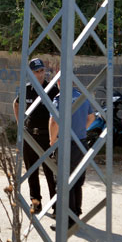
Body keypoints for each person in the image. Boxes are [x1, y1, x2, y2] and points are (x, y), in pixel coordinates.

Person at [48, 77, 95, 231]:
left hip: (65, 144)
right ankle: (76, 215)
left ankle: (67, 220)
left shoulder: (60, 99)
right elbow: (91, 118)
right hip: (81, 144)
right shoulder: (82, 96)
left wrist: (52, 140)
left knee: (63, 183)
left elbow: (54, 122)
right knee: (76, 181)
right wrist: (80, 130)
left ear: (59, 83)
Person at [13, 58, 58, 215]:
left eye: (41, 71)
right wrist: (20, 125)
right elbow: (16, 104)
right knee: (31, 171)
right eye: (36, 72)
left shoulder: (52, 89)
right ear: (30, 73)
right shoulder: (27, 89)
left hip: (47, 137)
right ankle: (36, 203)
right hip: (30, 135)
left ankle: (56, 205)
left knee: (50, 172)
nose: (39, 74)